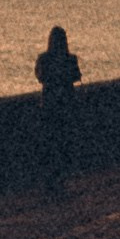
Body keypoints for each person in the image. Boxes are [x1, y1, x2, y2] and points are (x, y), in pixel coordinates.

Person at [34, 25, 83, 196]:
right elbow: (77, 76)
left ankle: (50, 183)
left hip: (49, 106)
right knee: (64, 145)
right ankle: (60, 182)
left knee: (50, 146)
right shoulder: (70, 59)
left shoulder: (44, 59)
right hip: (66, 106)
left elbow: (40, 76)